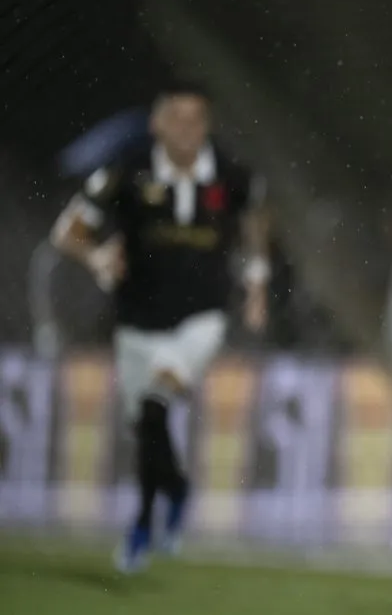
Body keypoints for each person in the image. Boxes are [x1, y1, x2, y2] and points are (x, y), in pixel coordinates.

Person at [50, 82, 270, 573]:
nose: (187, 129)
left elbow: (255, 229)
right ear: (157, 124)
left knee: (155, 405)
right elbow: (67, 232)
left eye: (196, 119)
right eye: (177, 118)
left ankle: (141, 527)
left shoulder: (233, 176)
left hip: (201, 319)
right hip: (136, 321)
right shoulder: (126, 173)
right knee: (147, 427)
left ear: (207, 125)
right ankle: (177, 488)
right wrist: (97, 256)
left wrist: (257, 284)